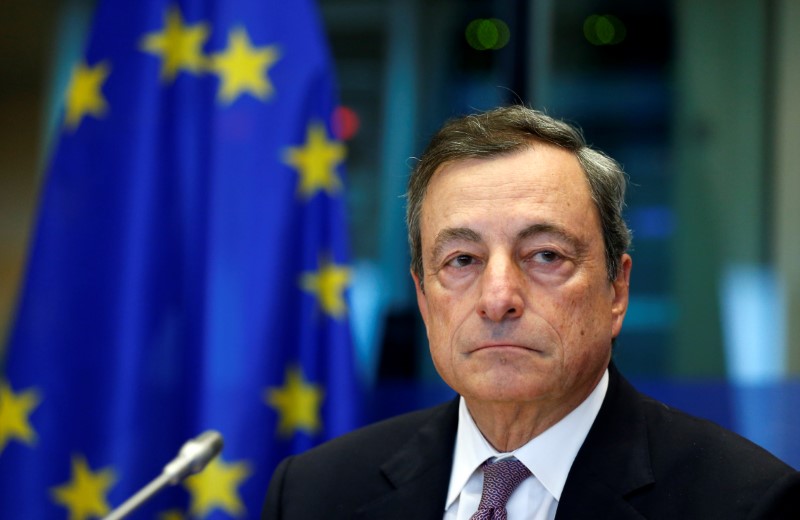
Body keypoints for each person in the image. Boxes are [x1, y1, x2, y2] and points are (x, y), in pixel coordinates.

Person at [263, 105, 800, 519]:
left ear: (617, 288)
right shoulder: (314, 494)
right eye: (462, 260)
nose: (498, 298)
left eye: (545, 256)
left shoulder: (747, 503)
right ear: (424, 301)